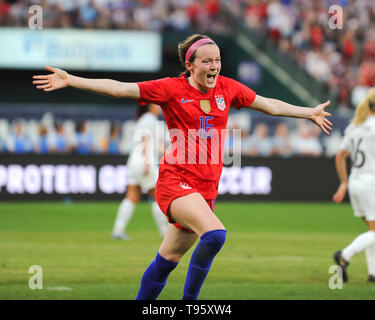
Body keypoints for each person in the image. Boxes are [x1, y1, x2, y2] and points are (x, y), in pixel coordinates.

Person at [32, 34, 332, 300]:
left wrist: (309, 113)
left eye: (217, 60)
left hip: (205, 189)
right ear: (190, 65)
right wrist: (72, 79)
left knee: (168, 259)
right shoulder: (171, 89)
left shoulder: (227, 88)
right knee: (215, 235)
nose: (214, 66)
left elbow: (271, 105)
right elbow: (120, 89)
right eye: (207, 61)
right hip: (175, 181)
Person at [332, 88, 375, 283]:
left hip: (356, 182)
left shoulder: (355, 126)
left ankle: (373, 273)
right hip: (370, 182)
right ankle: (344, 256)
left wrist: (343, 183)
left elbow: (340, 155)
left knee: (373, 231)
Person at [111, 103, 168, 240]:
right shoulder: (150, 119)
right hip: (144, 161)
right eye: (156, 104)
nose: (159, 107)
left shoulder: (141, 119)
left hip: (134, 161)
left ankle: (118, 230)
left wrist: (167, 152)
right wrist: (148, 163)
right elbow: (146, 141)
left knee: (131, 197)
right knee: (157, 197)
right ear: (150, 107)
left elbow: (152, 143)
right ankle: (165, 233)